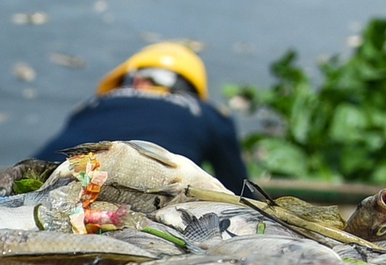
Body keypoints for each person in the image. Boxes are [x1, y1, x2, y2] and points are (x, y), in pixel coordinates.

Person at [29, 41, 248, 192]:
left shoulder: (94, 103)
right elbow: (238, 190)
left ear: (131, 79)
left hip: (41, 176)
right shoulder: (206, 112)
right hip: (143, 194)